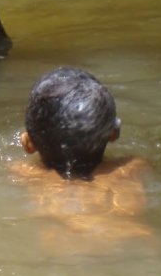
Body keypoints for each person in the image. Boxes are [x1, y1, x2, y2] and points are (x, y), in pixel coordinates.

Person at [13, 67, 151, 248]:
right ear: (114, 134)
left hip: (59, 243)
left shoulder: (23, 173)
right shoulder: (133, 167)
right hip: (132, 239)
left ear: (28, 144)